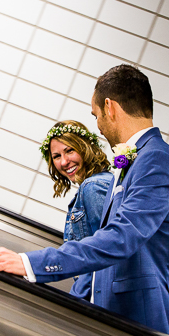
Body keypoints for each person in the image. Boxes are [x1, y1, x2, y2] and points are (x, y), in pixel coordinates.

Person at [0, 64, 169, 336]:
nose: (99, 126)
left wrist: (31, 263)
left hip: (143, 318)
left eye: (96, 116)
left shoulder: (156, 158)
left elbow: (120, 238)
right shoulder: (134, 158)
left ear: (110, 108)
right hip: (119, 316)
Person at [40, 119, 114, 301]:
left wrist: (78, 298)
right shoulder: (99, 182)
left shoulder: (93, 187)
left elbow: (103, 252)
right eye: (57, 156)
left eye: (69, 151)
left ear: (85, 148)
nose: (64, 162)